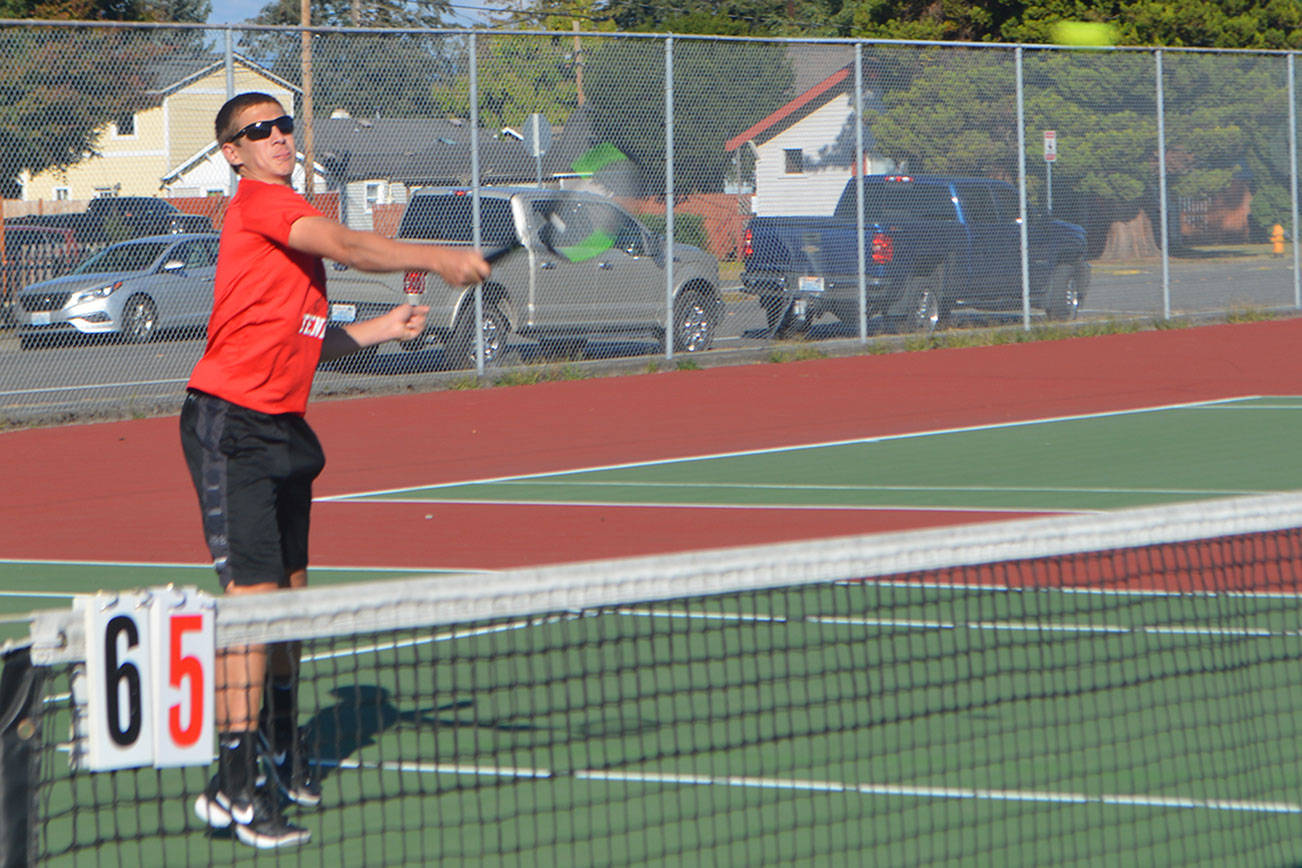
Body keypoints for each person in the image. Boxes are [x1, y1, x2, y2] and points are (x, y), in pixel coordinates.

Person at [180, 92, 490, 849]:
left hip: (284, 427)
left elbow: (306, 344)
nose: (278, 136)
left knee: (291, 601)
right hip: (231, 425)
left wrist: (382, 328)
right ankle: (232, 789)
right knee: (252, 607)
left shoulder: (292, 235)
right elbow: (355, 246)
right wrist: (438, 257)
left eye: (284, 124)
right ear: (233, 154)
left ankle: (282, 746)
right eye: (259, 130)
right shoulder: (262, 207)